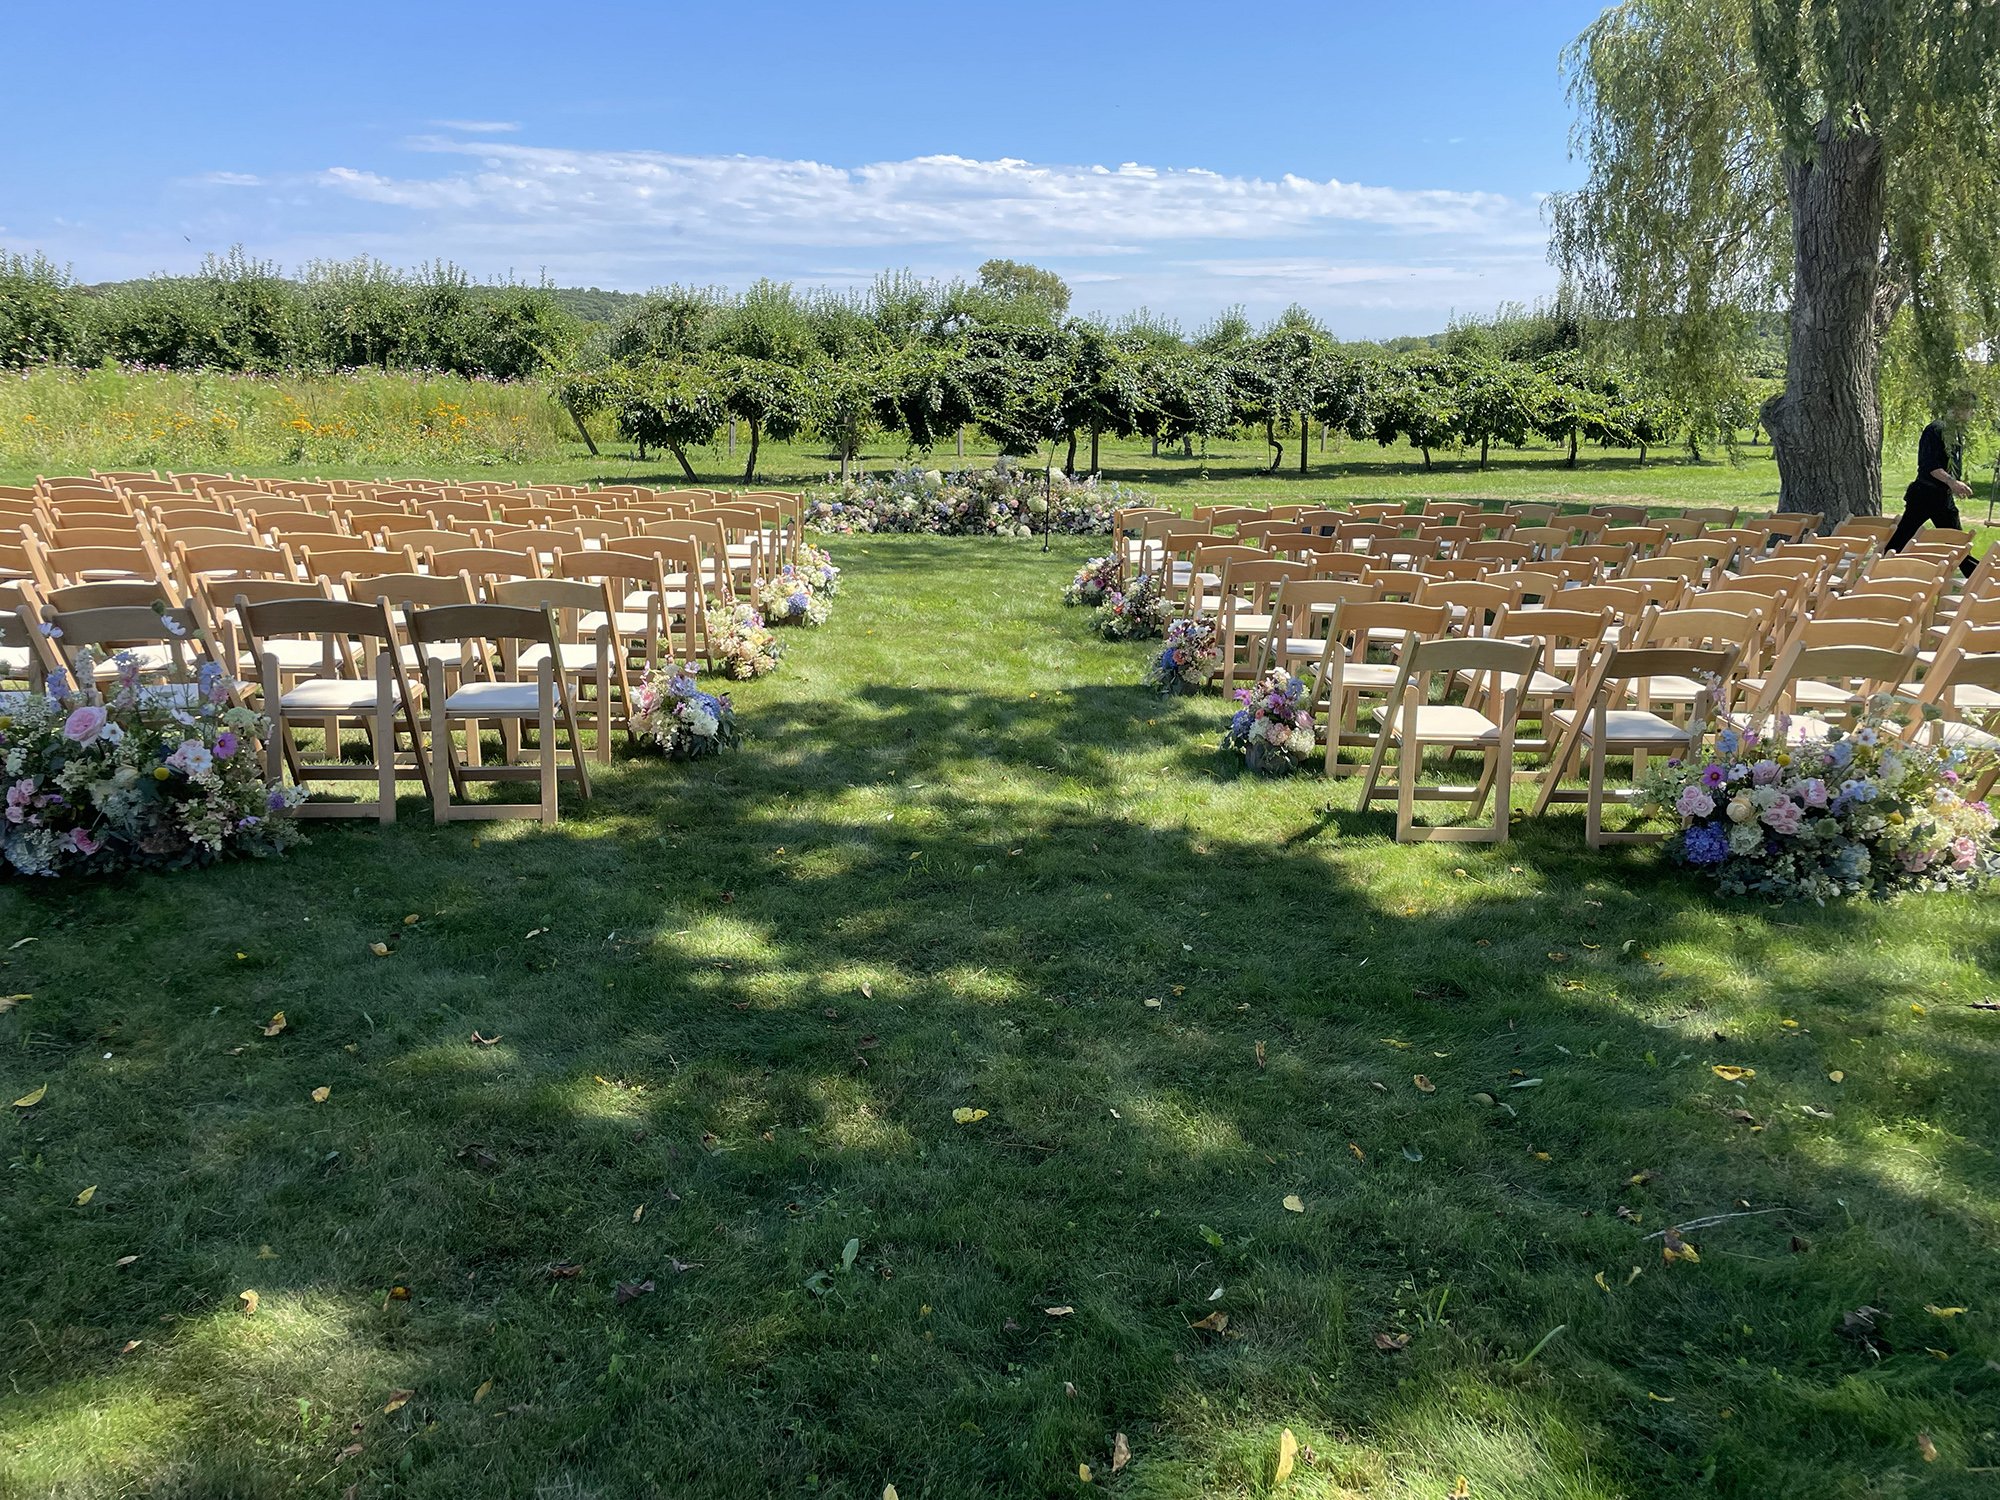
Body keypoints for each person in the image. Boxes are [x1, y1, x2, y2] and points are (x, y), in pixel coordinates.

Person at [1887, 401, 1978, 578]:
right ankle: (1880, 570)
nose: (1973, 413)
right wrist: (1953, 483)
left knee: (1956, 542)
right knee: (1904, 537)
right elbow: (1930, 465)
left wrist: (1955, 483)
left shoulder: (1956, 433)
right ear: (1958, 408)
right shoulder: (1936, 430)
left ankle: (1980, 578)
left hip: (1942, 497)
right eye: (1970, 408)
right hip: (1925, 494)